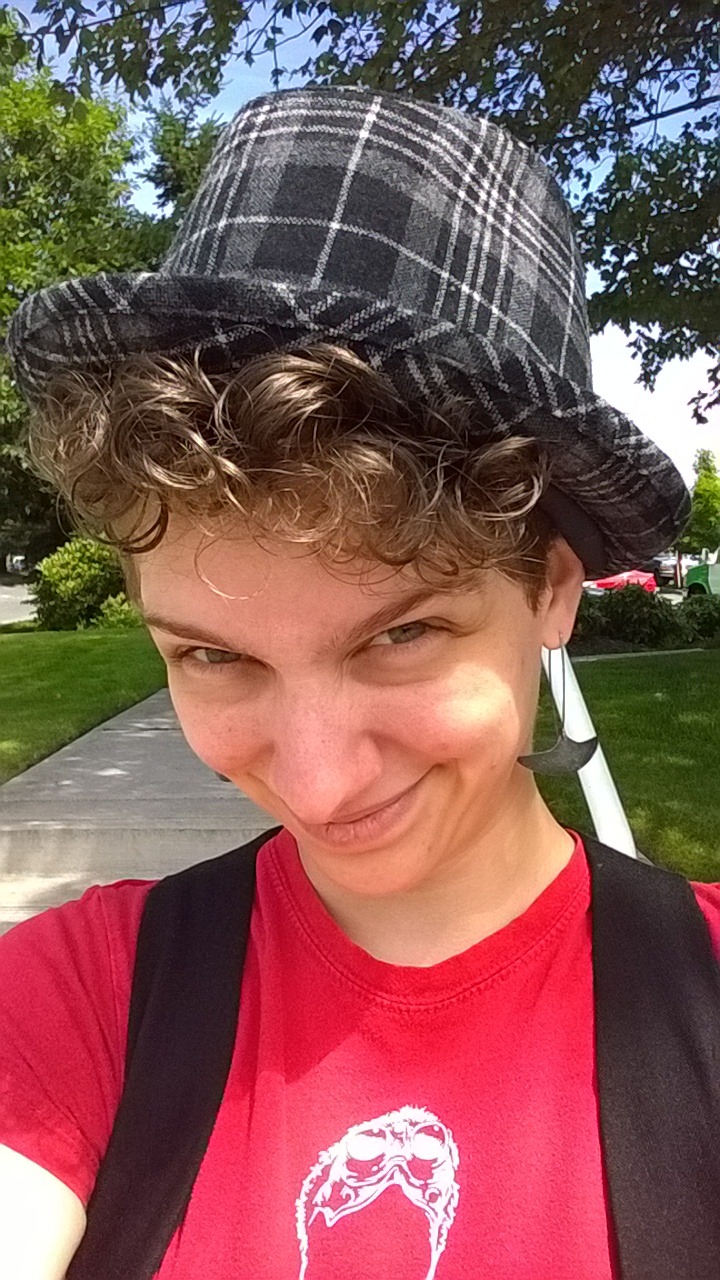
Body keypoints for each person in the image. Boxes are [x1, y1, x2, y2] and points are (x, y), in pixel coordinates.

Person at [1, 86, 716, 1280]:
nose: (320, 780)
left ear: (551, 588)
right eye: (213, 654)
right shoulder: (76, 995)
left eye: (402, 634)